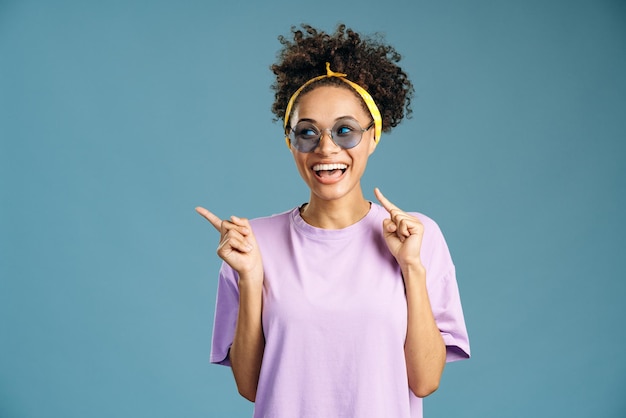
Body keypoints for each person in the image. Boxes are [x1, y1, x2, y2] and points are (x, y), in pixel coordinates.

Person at [196, 23, 470, 418]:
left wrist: (411, 266)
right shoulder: (250, 244)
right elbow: (251, 388)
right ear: (290, 142)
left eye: (345, 131)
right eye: (308, 132)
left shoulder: (418, 237)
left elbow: (425, 381)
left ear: (374, 136)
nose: (326, 148)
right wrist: (250, 278)